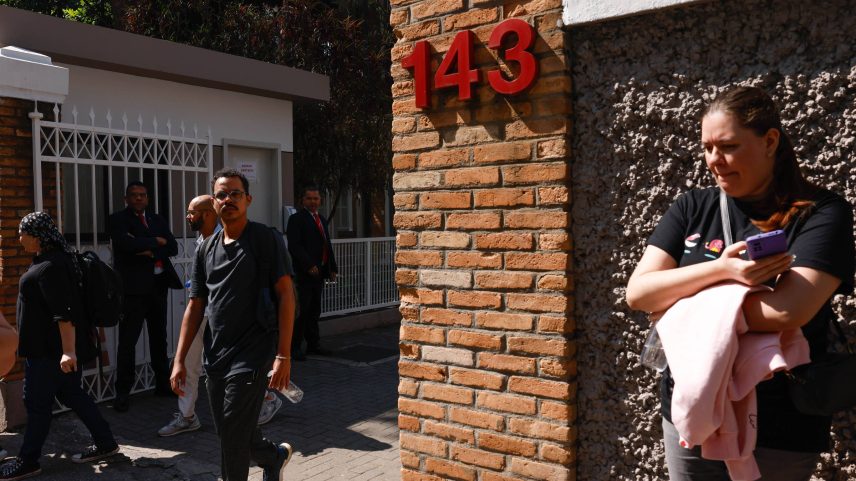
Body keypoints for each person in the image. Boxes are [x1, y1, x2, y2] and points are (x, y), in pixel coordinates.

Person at [625, 86, 855, 480]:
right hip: (691, 412)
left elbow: (787, 310)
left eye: (728, 146)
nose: (714, 160)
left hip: (780, 424)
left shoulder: (821, 213)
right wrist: (723, 271)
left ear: (770, 141)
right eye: (707, 147)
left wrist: (676, 308)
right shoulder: (691, 207)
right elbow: (639, 293)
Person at [171, 169, 296, 481]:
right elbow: (195, 306)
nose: (228, 199)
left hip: (253, 352)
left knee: (231, 433)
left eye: (235, 194)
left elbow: (286, 294)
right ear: (214, 203)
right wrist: (179, 360)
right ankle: (274, 457)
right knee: (232, 430)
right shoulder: (205, 249)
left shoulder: (265, 239)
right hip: (216, 354)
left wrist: (283, 355)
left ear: (248, 199)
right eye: (222, 195)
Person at [0, 212, 119, 480]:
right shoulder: (53, 260)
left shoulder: (51, 266)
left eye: (22, 233)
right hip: (55, 350)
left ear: (37, 236)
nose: (19, 238)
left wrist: (68, 352)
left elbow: (63, 314)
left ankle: (28, 460)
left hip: (49, 352)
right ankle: (105, 442)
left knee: (36, 404)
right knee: (72, 394)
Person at [158, 195, 283, 436]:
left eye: (192, 212)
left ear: (207, 214)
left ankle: (267, 399)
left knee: (234, 366)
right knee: (189, 363)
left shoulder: (228, 238)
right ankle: (187, 416)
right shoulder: (201, 241)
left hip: (225, 317)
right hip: (201, 312)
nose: (188, 217)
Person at [108, 181, 183, 412]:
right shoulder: (118, 219)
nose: (139, 198)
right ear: (126, 199)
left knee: (159, 338)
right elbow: (126, 245)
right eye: (134, 195)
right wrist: (156, 241)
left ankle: (162, 384)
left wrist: (148, 249)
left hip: (158, 287)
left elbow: (173, 247)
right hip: (133, 290)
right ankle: (123, 392)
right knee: (128, 341)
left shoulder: (156, 219)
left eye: (142, 194)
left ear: (147, 198)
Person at [286, 185, 337, 360]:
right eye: (309, 198)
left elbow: (327, 244)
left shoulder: (321, 219)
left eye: (316, 198)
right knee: (302, 312)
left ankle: (313, 345)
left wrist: (332, 267)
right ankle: (294, 348)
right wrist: (308, 265)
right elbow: (294, 246)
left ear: (320, 200)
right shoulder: (296, 219)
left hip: (319, 273)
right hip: (303, 274)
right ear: (303, 200)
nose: (313, 202)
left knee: (315, 311)